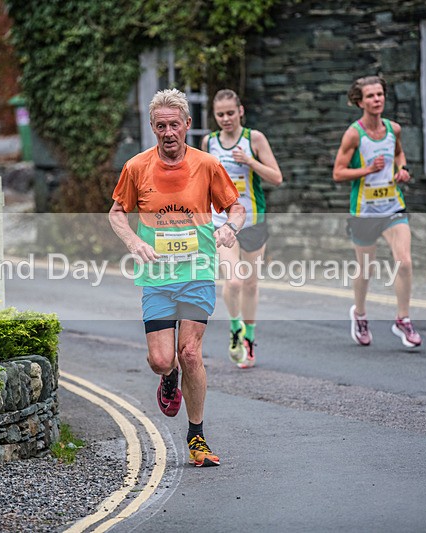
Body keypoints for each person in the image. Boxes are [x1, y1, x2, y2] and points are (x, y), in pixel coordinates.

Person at [109, 88, 246, 467]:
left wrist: (229, 229)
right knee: (161, 358)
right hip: (156, 276)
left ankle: (196, 435)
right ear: (153, 128)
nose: (168, 132)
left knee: (190, 352)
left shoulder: (206, 165)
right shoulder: (137, 167)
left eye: (174, 124)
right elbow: (116, 212)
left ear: (187, 124)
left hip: (197, 272)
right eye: (160, 126)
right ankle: (167, 378)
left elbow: (235, 207)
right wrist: (135, 242)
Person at [332, 75, 422, 348]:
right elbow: (338, 172)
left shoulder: (393, 129)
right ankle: (359, 314)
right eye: (371, 96)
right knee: (366, 269)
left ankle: (403, 319)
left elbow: (398, 155)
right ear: (359, 101)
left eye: (380, 94)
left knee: (404, 262)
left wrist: (403, 171)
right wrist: (367, 170)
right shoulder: (353, 134)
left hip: (393, 206)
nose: (377, 99)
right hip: (364, 211)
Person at [201, 89, 283, 369]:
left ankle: (249, 336)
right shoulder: (209, 142)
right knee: (233, 281)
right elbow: (201, 183)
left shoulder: (254, 139)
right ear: (215, 116)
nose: (225, 119)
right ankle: (235, 329)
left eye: (230, 113)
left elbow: (277, 177)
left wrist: (249, 161)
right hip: (221, 224)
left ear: (241, 111)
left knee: (250, 284)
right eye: (220, 114)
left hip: (253, 221)